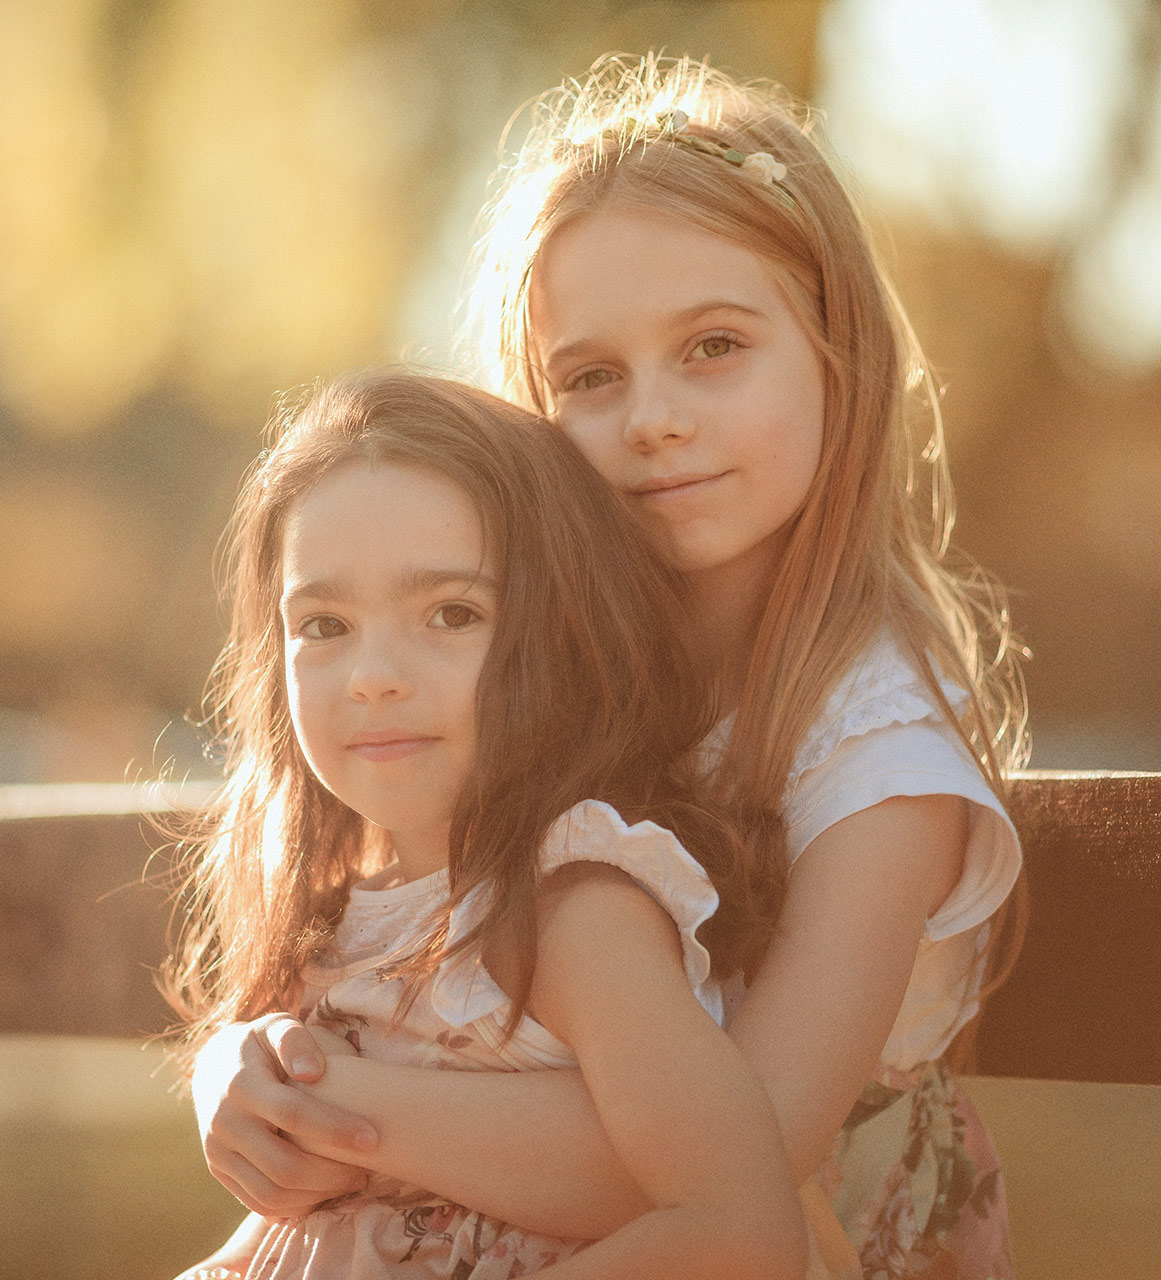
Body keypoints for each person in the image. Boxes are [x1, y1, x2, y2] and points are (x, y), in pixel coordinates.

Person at [188, 54, 1029, 1279]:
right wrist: (243, 1065)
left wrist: (335, 1108)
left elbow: (742, 1167)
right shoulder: (534, 674)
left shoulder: (880, 753)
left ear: (839, 356)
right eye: (590, 376)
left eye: (714, 347)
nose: (653, 418)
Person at [164, 370, 809, 1279]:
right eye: (324, 624)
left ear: (565, 635)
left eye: (452, 613)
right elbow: (303, 1234)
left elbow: (742, 1229)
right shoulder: (327, 920)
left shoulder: (571, 912)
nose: (373, 675)